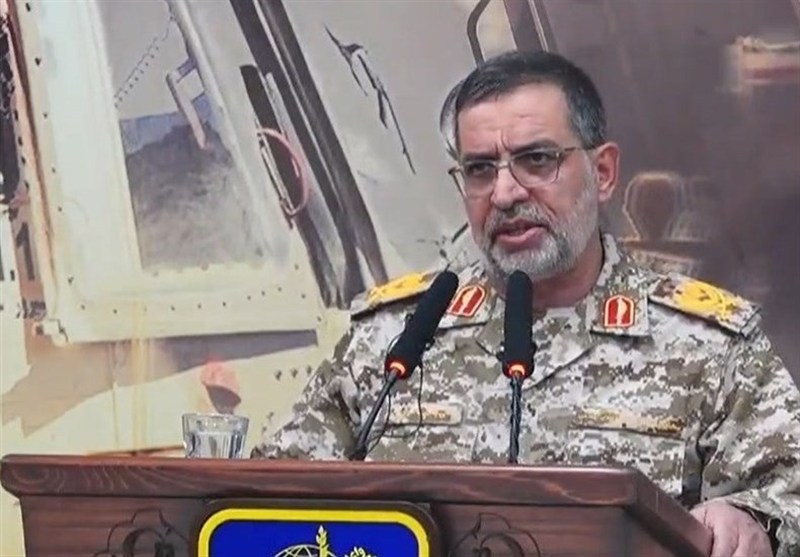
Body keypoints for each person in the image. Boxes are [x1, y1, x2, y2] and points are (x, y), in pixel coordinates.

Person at [251, 50, 800, 557]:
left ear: (603, 172)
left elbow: (787, 492)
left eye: (536, 160)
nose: (505, 193)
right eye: (479, 169)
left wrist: (751, 518)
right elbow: (263, 496)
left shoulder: (707, 345)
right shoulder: (396, 337)